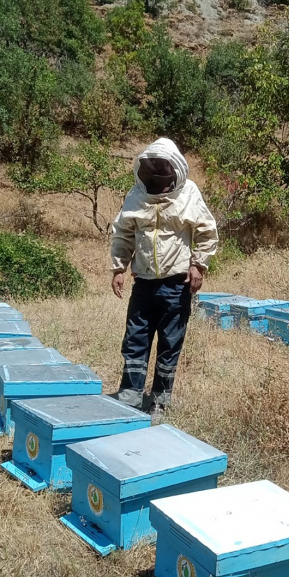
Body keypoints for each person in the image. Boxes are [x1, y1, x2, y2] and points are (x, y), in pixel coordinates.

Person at [110, 138, 218, 414]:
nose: (158, 177)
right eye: (153, 171)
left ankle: (160, 401)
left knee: (170, 343)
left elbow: (207, 231)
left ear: (174, 170)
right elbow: (123, 233)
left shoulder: (189, 193)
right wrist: (119, 268)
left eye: (163, 171)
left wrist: (199, 265)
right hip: (143, 283)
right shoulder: (136, 195)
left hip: (176, 284)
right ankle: (130, 397)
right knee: (135, 338)